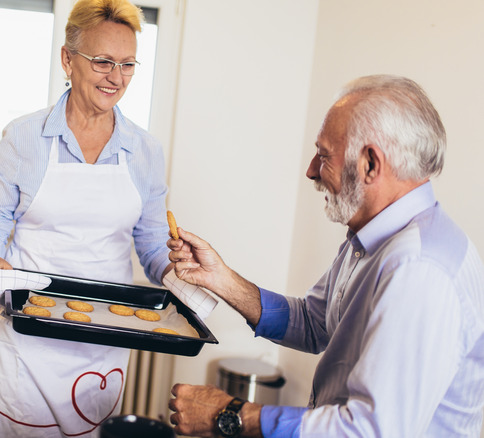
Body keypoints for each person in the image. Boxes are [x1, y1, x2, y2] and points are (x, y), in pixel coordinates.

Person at [167, 75, 484, 437]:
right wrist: (219, 279)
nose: (311, 170)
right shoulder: (370, 237)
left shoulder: (419, 270)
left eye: (323, 155)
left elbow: (369, 431)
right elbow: (316, 323)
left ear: (370, 164)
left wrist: (229, 414)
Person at [0, 0, 173, 436]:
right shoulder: (24, 138)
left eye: (128, 64)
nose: (116, 78)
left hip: (101, 342)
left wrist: (182, 271)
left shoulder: (146, 152)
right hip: (25, 337)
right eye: (102, 62)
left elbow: (153, 247)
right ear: (68, 59)